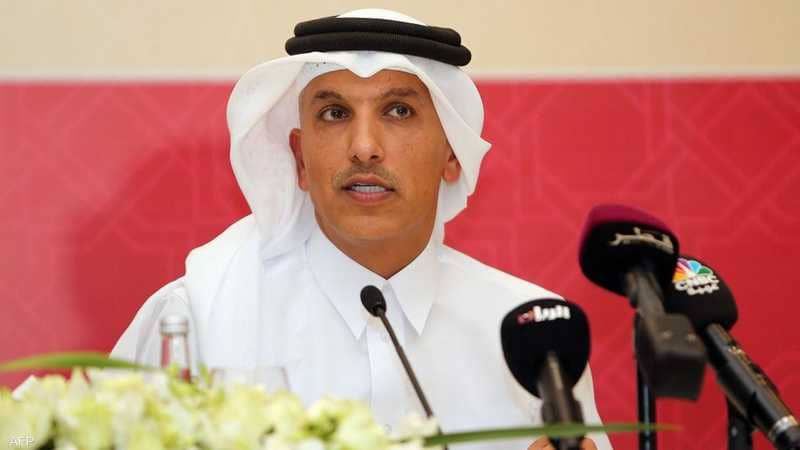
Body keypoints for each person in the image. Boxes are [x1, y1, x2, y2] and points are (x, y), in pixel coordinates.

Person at [112, 9, 611, 450]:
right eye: (335, 114)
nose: (365, 147)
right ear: (299, 158)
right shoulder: (196, 318)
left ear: (452, 154)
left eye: (398, 111)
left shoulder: (536, 335)